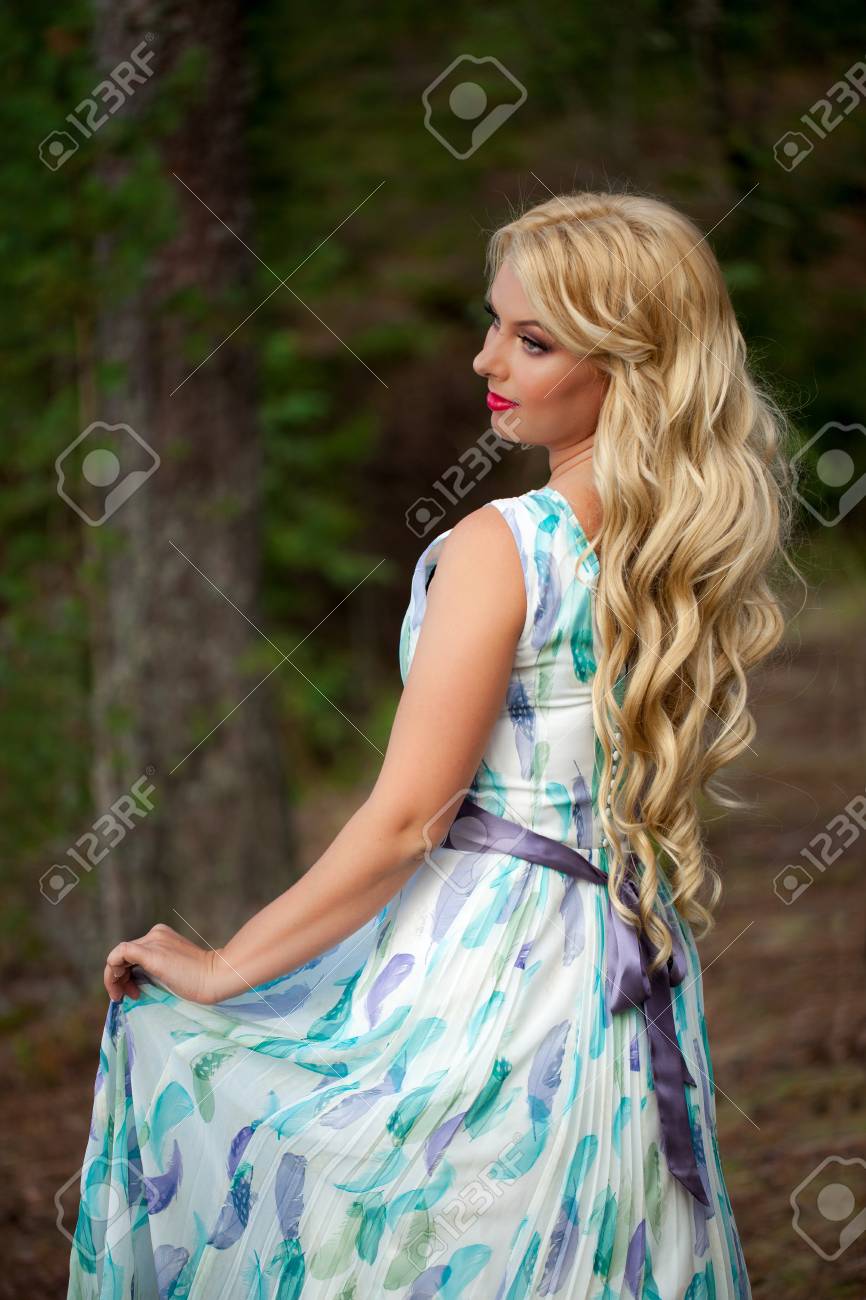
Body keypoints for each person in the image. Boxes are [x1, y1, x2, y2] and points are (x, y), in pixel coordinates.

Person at [67, 190, 794, 1298]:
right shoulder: (679, 543)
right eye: (493, 321)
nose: (484, 358)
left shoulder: (506, 544)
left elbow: (410, 818)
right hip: (624, 958)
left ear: (629, 364)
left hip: (488, 973)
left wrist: (223, 967)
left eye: (532, 340)